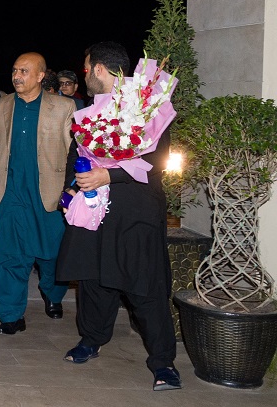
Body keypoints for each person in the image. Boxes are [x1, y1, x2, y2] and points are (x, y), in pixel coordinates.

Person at [55, 42, 181, 392]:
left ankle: (163, 362)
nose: (84, 76)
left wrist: (109, 176)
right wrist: (71, 190)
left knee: (144, 285)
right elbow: (76, 154)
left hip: (136, 210)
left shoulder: (146, 105)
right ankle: (91, 339)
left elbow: (157, 160)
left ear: (98, 69)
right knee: (93, 278)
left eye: (85, 69)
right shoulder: (90, 111)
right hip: (96, 209)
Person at [0, 53, 74, 335]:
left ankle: (52, 293)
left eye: (24, 71)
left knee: (52, 256)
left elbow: (74, 152)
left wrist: (72, 189)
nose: (17, 76)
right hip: (11, 193)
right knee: (8, 256)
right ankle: (11, 316)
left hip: (48, 194)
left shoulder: (63, 107)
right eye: (14, 70)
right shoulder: (1, 106)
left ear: (40, 76)